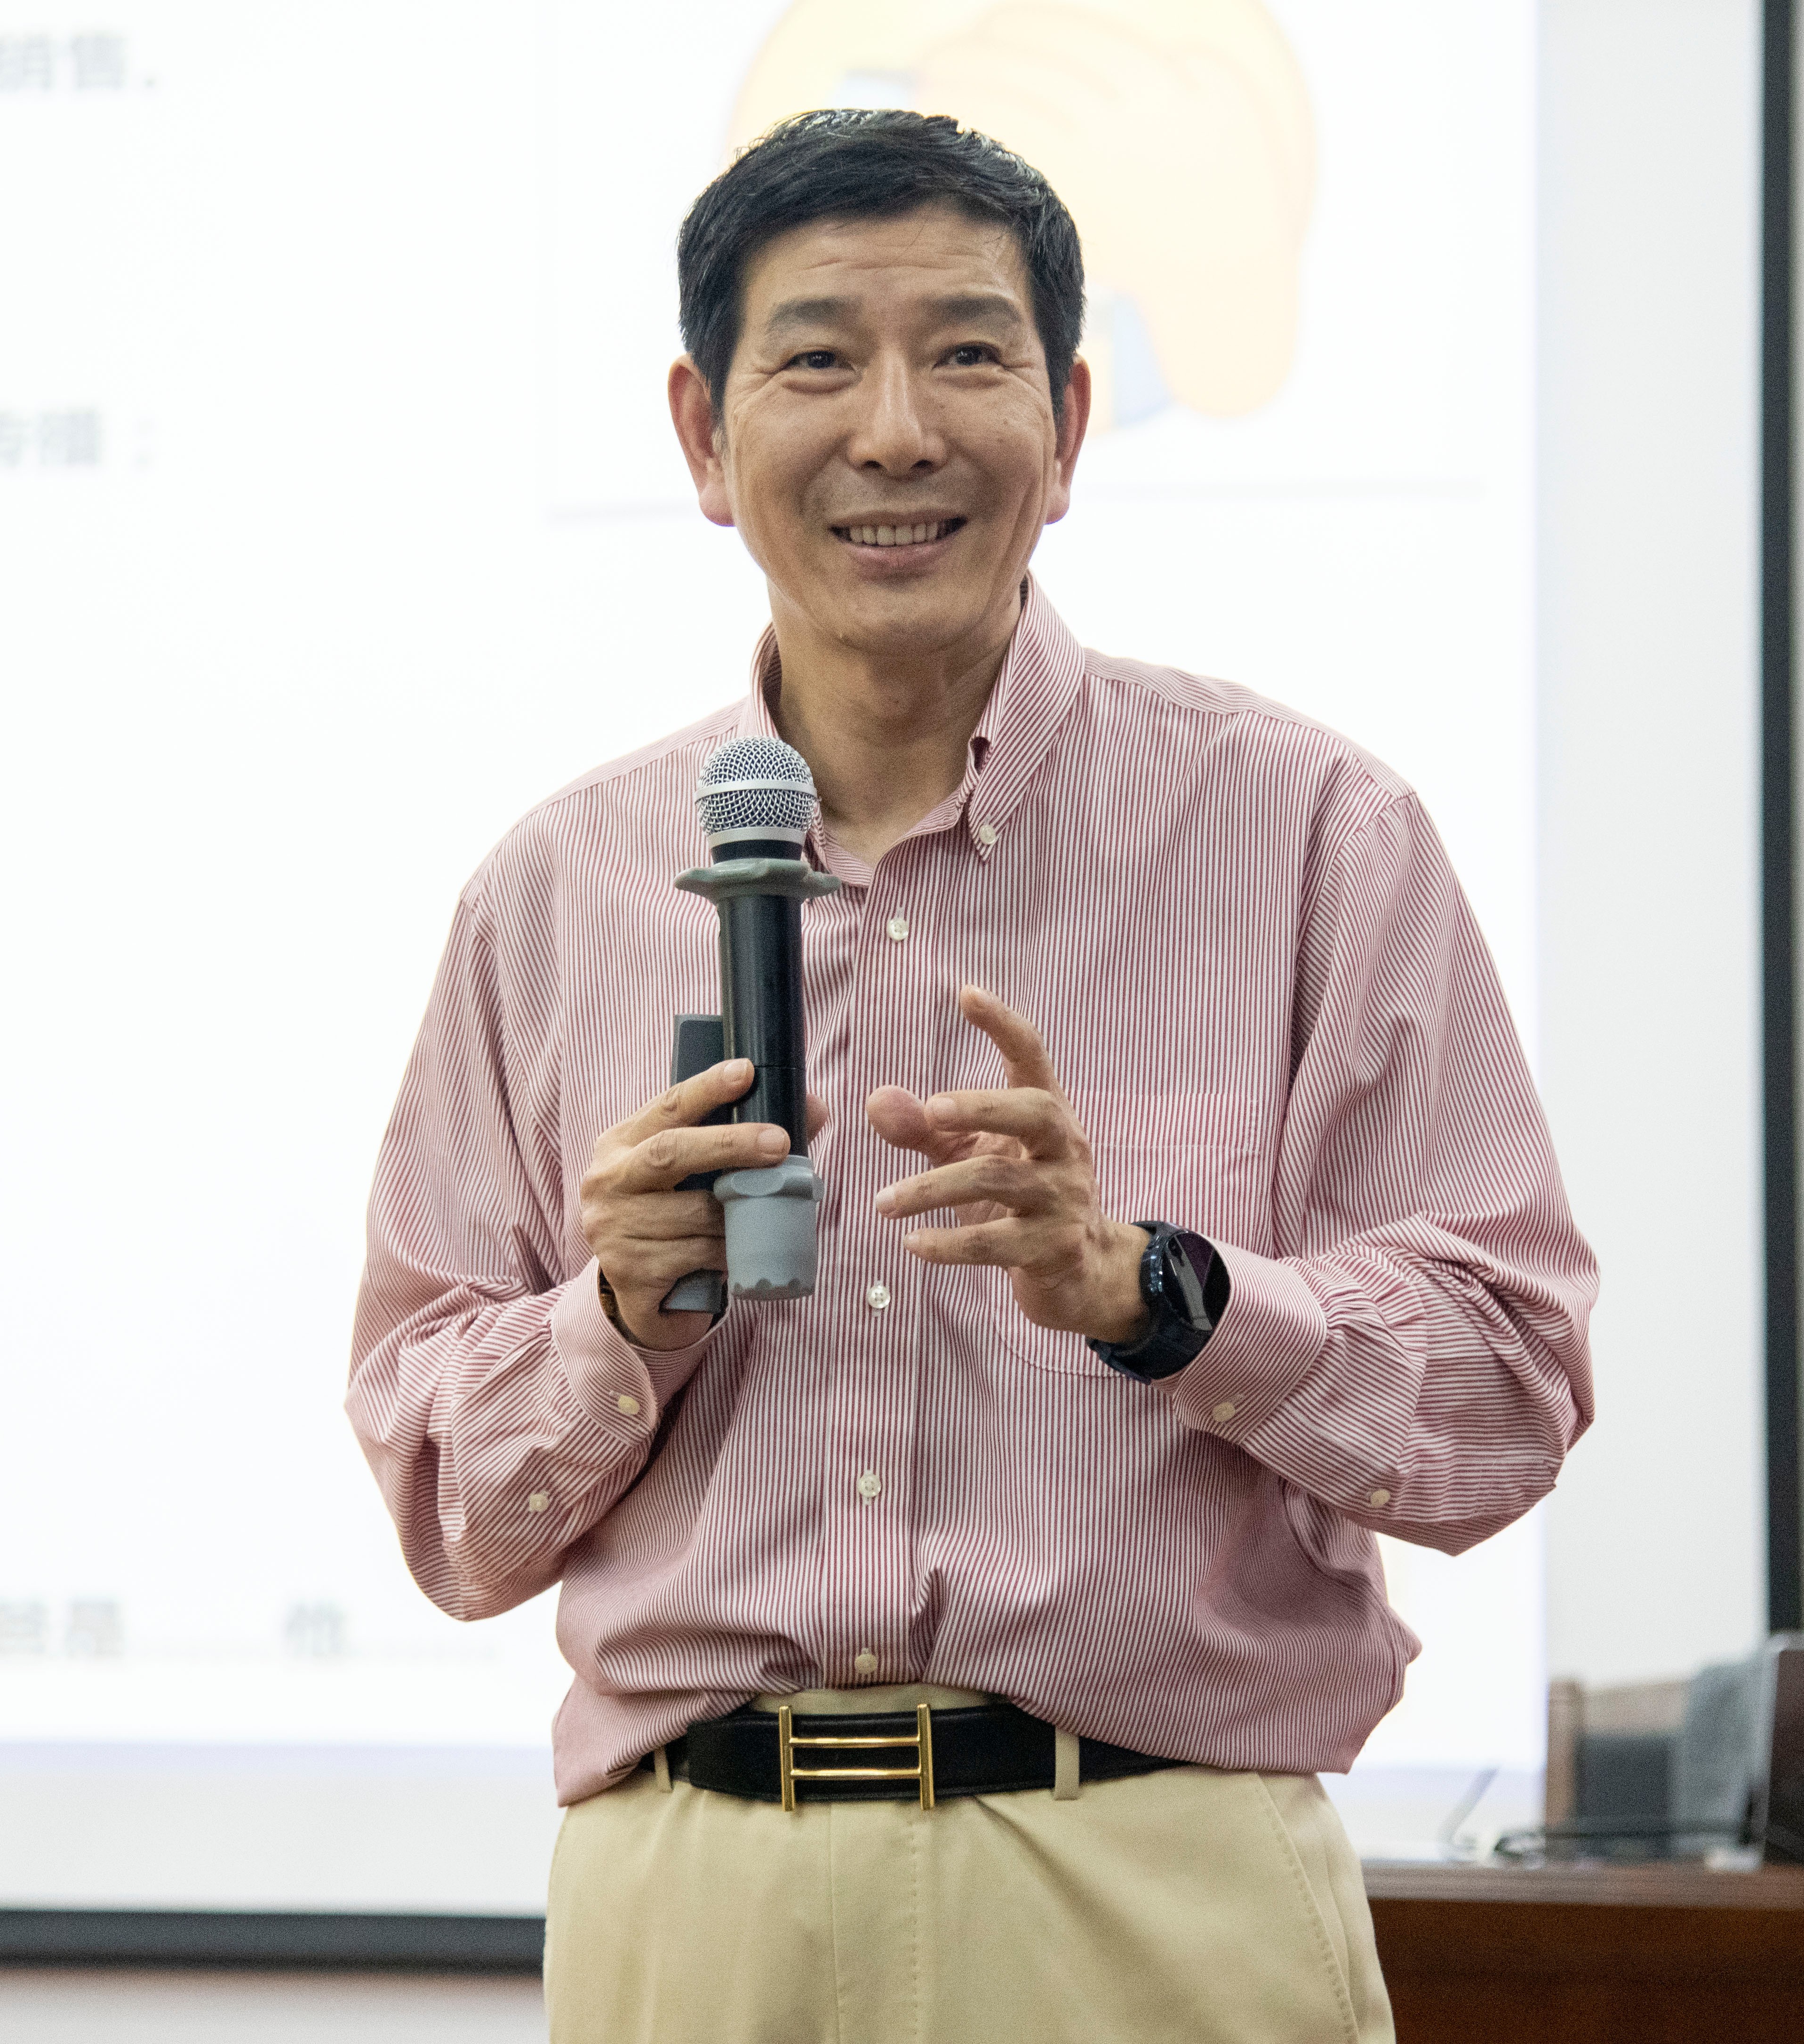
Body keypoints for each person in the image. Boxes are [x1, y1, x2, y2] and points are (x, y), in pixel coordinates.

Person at [346, 107, 1592, 2043]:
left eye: (966, 355)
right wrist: (616, 1317)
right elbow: (445, 1508)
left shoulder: (1308, 836)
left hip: (1149, 1885)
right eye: (817, 360)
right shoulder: (557, 892)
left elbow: (1507, 1392)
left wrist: (1163, 1296)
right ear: (702, 436)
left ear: (1069, 425)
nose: (896, 430)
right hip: (702, 1908)